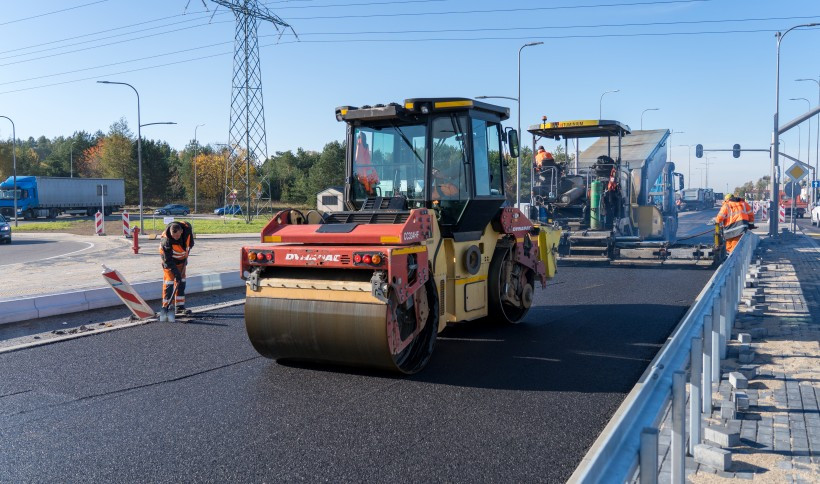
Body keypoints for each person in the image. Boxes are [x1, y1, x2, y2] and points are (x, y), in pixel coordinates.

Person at [160, 221, 194, 316]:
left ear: (181, 231)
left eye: (178, 236)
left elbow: (190, 244)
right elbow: (168, 260)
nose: (176, 237)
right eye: (173, 236)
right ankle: (166, 307)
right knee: (169, 283)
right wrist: (176, 273)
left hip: (182, 262)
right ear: (170, 233)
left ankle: (179, 307)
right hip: (169, 262)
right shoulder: (166, 241)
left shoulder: (187, 230)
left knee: (181, 282)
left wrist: (185, 256)